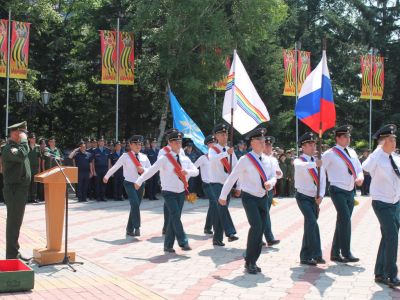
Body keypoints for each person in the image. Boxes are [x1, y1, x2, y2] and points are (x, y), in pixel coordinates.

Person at [219, 127, 276, 274]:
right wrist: (223, 196)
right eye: (260, 140)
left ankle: (253, 260)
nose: (263, 143)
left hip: (263, 197)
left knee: (261, 229)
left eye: (264, 140)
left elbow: (273, 176)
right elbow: (232, 177)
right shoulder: (245, 159)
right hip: (249, 197)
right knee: (256, 227)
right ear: (252, 142)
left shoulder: (268, 160)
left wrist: (271, 183)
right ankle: (249, 261)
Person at [135, 130, 199, 252]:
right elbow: (151, 170)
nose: (178, 144)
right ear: (170, 142)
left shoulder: (184, 158)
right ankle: (183, 241)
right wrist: (139, 181)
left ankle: (168, 245)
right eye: (175, 142)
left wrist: (188, 172)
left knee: (173, 219)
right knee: (175, 215)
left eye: (179, 142)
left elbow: (196, 171)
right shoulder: (164, 158)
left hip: (181, 191)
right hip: (168, 191)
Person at [362, 124, 400, 288]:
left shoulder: (396, 158)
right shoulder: (376, 158)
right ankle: (391, 274)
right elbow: (365, 168)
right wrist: (378, 149)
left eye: (395, 139)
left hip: (396, 203)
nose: (394, 142)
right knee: (392, 236)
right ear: (383, 141)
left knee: (387, 237)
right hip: (381, 203)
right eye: (391, 139)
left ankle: (380, 272)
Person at [322, 125, 364, 263]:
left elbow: (359, 169)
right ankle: (346, 252)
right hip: (337, 189)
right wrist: (319, 192)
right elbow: (321, 172)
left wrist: (360, 177)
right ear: (337, 138)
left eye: (349, 136)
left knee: (342, 221)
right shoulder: (329, 154)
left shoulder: (352, 152)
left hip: (350, 190)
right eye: (345, 136)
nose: (348, 138)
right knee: (345, 219)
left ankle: (335, 253)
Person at [104, 135, 151, 236]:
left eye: (139, 144)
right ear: (130, 145)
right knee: (134, 204)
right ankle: (137, 227)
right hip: (129, 183)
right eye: (136, 144)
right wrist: (107, 176)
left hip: (140, 183)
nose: (138, 146)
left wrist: (143, 170)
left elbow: (151, 170)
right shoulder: (125, 156)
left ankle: (129, 230)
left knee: (136, 206)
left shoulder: (144, 157)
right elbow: (116, 166)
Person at [294, 132, 326, 266]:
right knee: (312, 222)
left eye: (314, 144)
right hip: (302, 197)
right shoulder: (299, 160)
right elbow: (301, 166)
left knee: (310, 225)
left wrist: (321, 196)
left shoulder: (317, 161)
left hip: (314, 198)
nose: (313, 147)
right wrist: (315, 165)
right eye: (309, 144)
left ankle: (309, 255)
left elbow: (323, 180)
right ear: (303, 147)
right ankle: (313, 253)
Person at [2, 121, 31, 260]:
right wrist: (24, 141)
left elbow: (24, 154)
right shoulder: (9, 148)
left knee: (17, 221)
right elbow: (21, 155)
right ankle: (11, 255)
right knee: (13, 222)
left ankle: (15, 251)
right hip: (14, 190)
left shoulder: (18, 147)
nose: (24, 135)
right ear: (14, 133)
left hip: (20, 189)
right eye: (22, 132)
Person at [209, 123, 239, 246]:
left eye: (226, 134)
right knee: (222, 206)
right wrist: (227, 154)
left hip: (227, 184)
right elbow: (213, 159)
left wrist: (238, 186)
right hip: (215, 183)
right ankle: (230, 232)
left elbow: (236, 167)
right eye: (222, 134)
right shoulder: (213, 149)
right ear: (216, 136)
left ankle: (217, 239)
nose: (225, 136)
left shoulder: (229, 149)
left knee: (219, 211)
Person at [158, 128, 187, 235]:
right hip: (168, 183)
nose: (177, 141)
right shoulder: (163, 151)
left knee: (177, 207)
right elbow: (160, 167)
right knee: (168, 206)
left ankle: (173, 226)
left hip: (179, 182)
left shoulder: (181, 150)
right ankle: (167, 227)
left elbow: (185, 164)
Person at [194, 135, 217, 235]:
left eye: (214, 143)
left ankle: (209, 227)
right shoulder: (203, 158)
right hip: (207, 184)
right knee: (214, 203)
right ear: (207, 146)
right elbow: (193, 168)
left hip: (217, 184)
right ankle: (209, 227)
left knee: (215, 205)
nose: (213, 145)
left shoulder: (219, 157)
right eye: (211, 144)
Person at [262, 136, 282, 246]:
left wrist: (279, 174)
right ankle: (269, 238)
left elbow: (279, 173)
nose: (269, 147)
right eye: (267, 145)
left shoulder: (274, 159)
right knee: (264, 214)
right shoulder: (260, 157)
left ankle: (263, 238)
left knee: (265, 213)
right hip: (262, 188)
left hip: (270, 189)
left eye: (270, 145)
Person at [92, 137, 110, 201]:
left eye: (103, 142)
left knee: (104, 183)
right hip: (97, 169)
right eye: (100, 142)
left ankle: (103, 196)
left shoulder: (107, 150)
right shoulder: (95, 150)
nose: (102, 143)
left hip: (105, 169)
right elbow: (93, 161)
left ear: (104, 143)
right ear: (98, 143)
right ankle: (98, 197)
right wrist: (93, 171)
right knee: (97, 184)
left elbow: (109, 161)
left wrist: (109, 170)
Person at [27, 133, 41, 204]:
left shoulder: (38, 147)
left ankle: (34, 197)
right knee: (28, 182)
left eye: (34, 138)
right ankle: (28, 198)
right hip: (28, 167)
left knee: (35, 183)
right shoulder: (26, 146)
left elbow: (39, 158)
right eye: (32, 138)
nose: (34, 139)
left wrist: (39, 167)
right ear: (29, 139)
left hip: (35, 168)